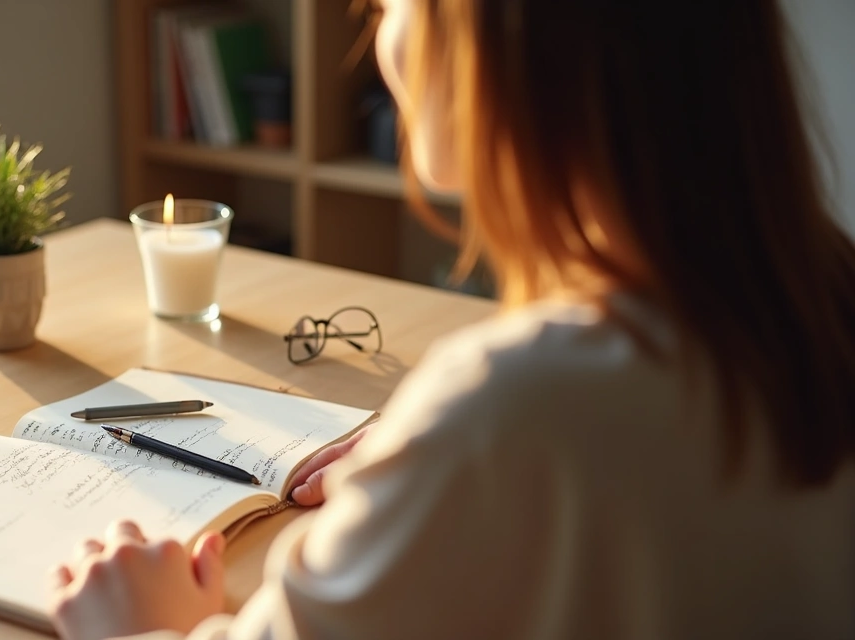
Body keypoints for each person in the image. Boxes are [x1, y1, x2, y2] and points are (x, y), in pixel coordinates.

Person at [48, 0, 855, 637]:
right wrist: (438, 458)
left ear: (486, 47)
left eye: (387, 6)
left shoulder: (514, 404)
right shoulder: (824, 289)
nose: (378, 40)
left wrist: (142, 626)